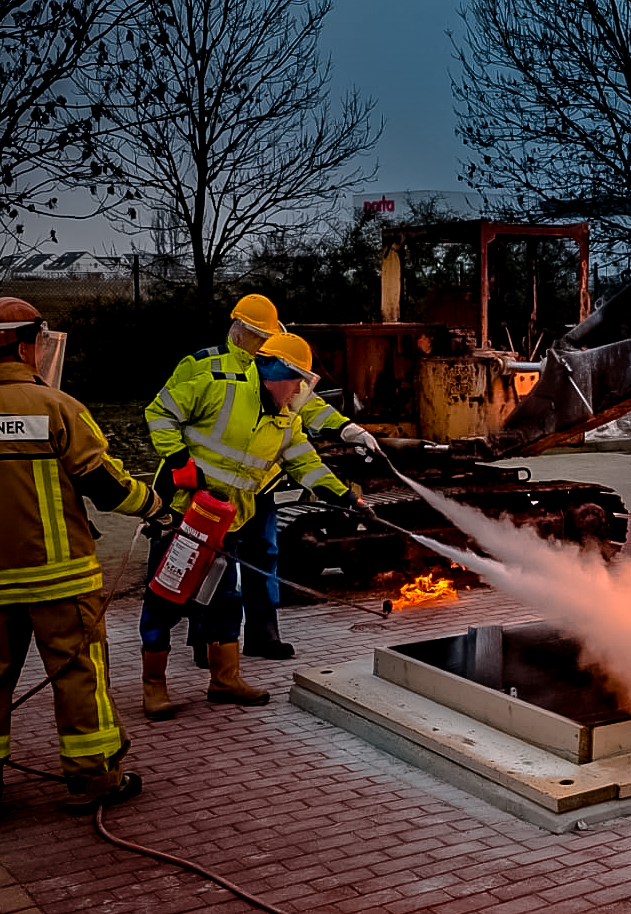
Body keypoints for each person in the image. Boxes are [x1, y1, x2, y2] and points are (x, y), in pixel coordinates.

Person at [0, 298, 169, 813]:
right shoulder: (55, 407)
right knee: (78, 674)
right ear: (29, 345)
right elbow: (104, 483)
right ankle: (94, 779)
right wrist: (155, 505)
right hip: (59, 577)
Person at [141, 328, 358, 718]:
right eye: (297, 381)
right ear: (275, 373)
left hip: (230, 521)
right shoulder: (215, 385)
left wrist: (343, 496)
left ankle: (224, 681)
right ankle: (154, 687)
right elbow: (159, 411)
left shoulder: (284, 418)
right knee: (164, 600)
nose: (299, 392)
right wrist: (178, 462)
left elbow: (305, 462)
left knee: (226, 601)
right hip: (184, 516)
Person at [164, 295, 378, 660]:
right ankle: (208, 640)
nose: (262, 345)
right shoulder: (205, 368)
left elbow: (302, 404)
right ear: (239, 331)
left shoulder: (275, 370)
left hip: (258, 485)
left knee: (264, 555)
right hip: (208, 490)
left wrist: (344, 429)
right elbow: (164, 414)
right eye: (257, 337)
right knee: (210, 566)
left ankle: (263, 635)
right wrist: (178, 462)